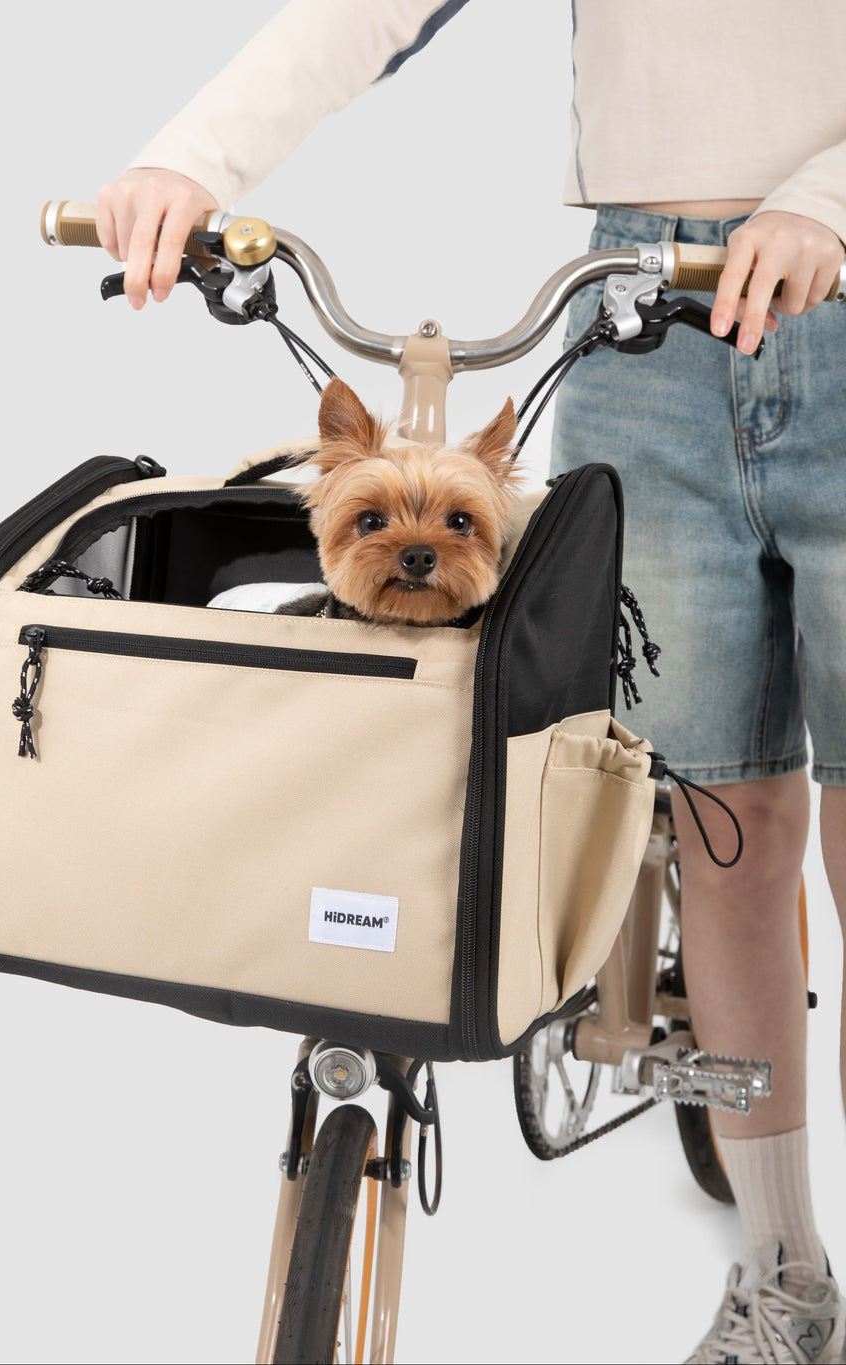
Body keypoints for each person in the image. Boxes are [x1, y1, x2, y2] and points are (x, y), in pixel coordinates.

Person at [95, 4, 846, 1360]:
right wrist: (192, 161)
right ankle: (786, 1282)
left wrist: (825, 201)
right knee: (727, 829)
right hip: (647, 320)